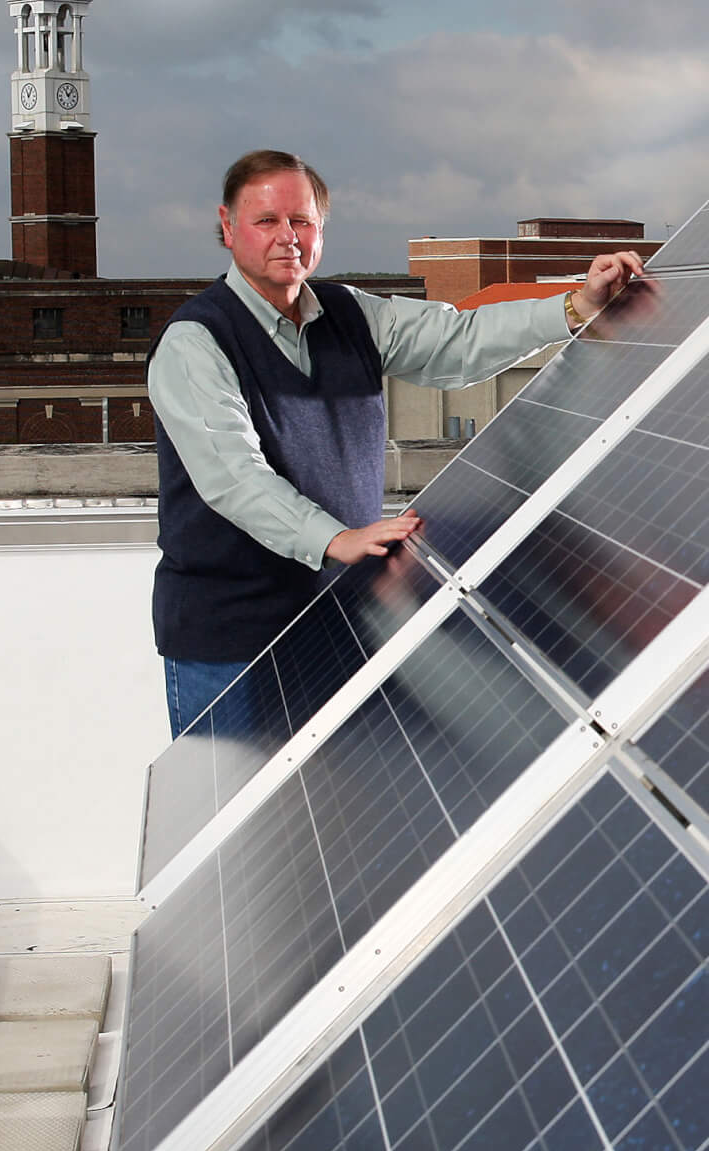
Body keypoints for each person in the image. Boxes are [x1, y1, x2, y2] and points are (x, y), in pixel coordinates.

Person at [149, 148, 646, 734]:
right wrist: (337, 538)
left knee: (336, 815)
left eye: (302, 221)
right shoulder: (196, 341)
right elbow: (234, 478)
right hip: (231, 644)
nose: (288, 237)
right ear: (229, 228)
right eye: (266, 221)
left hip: (339, 624)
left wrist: (576, 306)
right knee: (235, 818)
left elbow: (455, 339)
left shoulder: (350, 313)